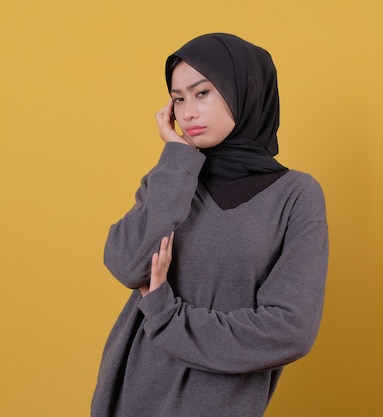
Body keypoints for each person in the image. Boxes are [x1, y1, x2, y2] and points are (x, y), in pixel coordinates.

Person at [91, 33, 329, 417]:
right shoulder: (172, 176)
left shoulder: (295, 195)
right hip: (130, 394)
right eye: (179, 98)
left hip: (218, 404)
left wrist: (167, 316)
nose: (187, 113)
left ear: (245, 91)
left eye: (202, 93)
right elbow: (126, 264)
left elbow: (289, 330)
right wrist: (176, 161)